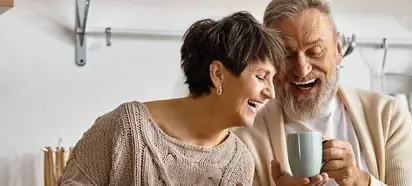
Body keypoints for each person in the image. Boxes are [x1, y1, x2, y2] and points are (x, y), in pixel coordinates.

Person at [58, 11, 286, 186]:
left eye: (272, 79)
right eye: (260, 76)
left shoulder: (240, 162)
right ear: (218, 74)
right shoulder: (125, 129)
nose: (270, 93)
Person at [232, 0, 412, 186]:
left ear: (338, 50)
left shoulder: (388, 116)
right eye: (287, 55)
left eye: (315, 51)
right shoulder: (246, 136)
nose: (302, 69)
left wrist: (359, 180)